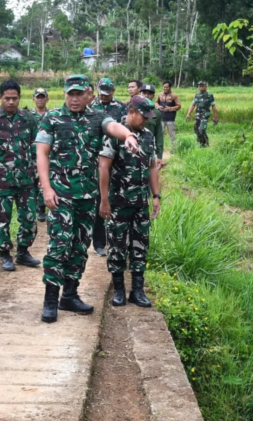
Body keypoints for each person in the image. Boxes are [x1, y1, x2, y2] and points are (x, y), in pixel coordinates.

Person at [35, 74, 140, 324]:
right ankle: (51, 300)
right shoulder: (52, 118)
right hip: (61, 196)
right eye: (70, 94)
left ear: (89, 94)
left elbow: (112, 126)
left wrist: (127, 136)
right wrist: (46, 188)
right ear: (65, 94)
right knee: (59, 245)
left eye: (79, 94)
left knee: (80, 246)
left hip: (87, 196)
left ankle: (69, 295)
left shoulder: (96, 117)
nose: (74, 98)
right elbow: (42, 153)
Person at [99, 96, 161, 308]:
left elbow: (153, 167)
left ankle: (137, 290)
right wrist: (104, 200)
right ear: (132, 112)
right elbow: (104, 167)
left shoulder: (148, 136)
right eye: (144, 116)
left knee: (140, 245)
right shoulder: (115, 134)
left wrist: (156, 196)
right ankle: (118, 290)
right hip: (118, 202)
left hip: (140, 203)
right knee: (116, 246)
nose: (146, 120)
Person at [0, 80, 42, 272]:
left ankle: (23, 251)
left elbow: (36, 146)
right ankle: (5, 254)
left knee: (29, 218)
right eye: (7, 98)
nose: (11, 102)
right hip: (1, 179)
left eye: (15, 98)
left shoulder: (29, 119)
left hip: (27, 178)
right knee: (2, 218)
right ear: (0, 98)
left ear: (19, 98)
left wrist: (39, 172)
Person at [90, 78, 128, 257]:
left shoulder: (121, 108)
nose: (104, 96)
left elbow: (125, 129)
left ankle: (116, 239)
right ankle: (98, 242)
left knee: (116, 198)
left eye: (107, 93)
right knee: (99, 199)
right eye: (101, 92)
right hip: (94, 159)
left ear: (113, 91)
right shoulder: (90, 106)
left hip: (115, 159)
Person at [31, 88, 50, 222]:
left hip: (47, 153)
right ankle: (34, 208)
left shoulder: (52, 115)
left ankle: (42, 208)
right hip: (31, 153)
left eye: (43, 97)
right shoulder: (28, 115)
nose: (40, 99)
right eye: (38, 97)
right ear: (34, 99)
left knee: (44, 180)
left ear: (47, 99)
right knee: (32, 181)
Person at [185, 80, 219, 147]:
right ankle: (201, 143)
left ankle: (206, 143)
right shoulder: (197, 95)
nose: (201, 87)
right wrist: (188, 114)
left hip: (205, 115)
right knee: (196, 129)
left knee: (202, 129)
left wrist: (215, 117)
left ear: (206, 86)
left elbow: (213, 106)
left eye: (202, 86)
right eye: (199, 86)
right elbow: (193, 105)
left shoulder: (210, 95)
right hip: (197, 115)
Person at [140, 84, 164, 168]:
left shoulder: (156, 113)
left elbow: (159, 135)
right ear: (140, 94)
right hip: (133, 148)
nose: (146, 95)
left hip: (148, 149)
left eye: (149, 93)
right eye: (144, 93)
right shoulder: (132, 109)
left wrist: (159, 155)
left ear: (153, 96)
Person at [155, 80, 181, 152]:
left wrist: (170, 108)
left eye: (167, 87)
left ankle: (173, 149)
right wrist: (158, 107)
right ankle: (160, 149)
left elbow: (179, 106)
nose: (165, 89)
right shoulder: (160, 95)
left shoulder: (174, 96)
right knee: (160, 134)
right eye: (164, 87)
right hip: (161, 118)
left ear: (170, 87)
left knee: (172, 134)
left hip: (170, 118)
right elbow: (156, 102)